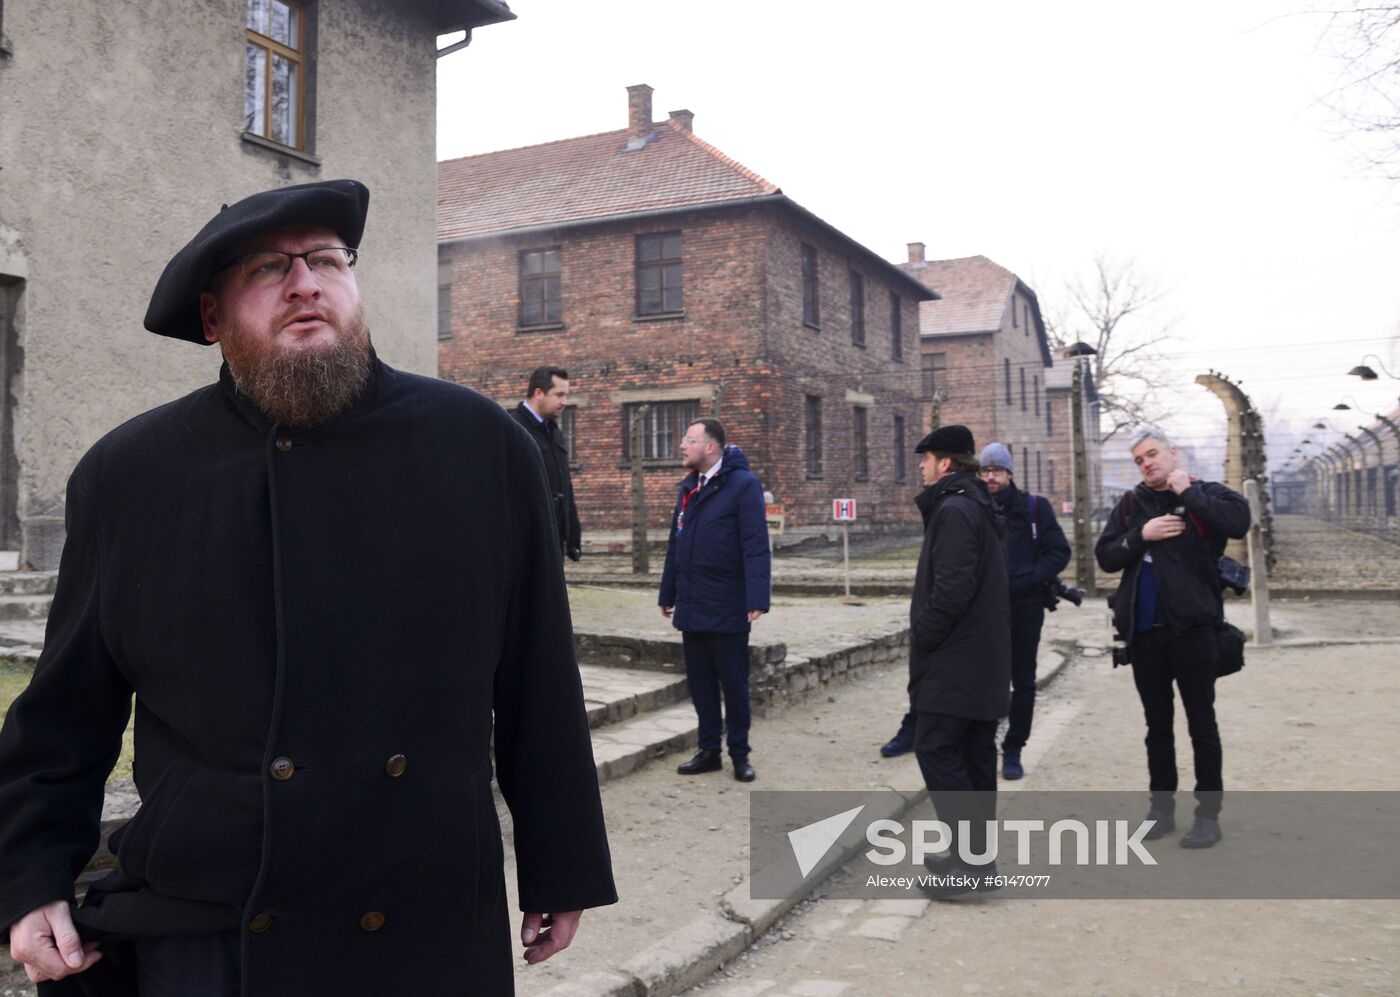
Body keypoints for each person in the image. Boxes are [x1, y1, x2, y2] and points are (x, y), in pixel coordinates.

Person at [0, 180, 616, 995]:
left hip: (424, 915)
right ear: (214, 319)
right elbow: (67, 709)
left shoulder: (481, 446)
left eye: (326, 259)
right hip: (212, 920)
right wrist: (31, 877)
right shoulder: (129, 476)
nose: (305, 282)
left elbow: (537, 672)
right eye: (267, 268)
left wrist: (559, 860)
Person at [1095, 426, 1250, 849]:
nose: (1147, 463)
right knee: (1156, 726)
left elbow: (1239, 523)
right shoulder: (1131, 504)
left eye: (1152, 454)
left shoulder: (1208, 493)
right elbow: (1105, 556)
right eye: (1139, 459)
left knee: (1202, 724)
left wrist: (1189, 494)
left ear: (1172, 453)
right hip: (1145, 635)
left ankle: (1207, 815)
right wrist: (1140, 536)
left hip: (1194, 632)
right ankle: (1160, 811)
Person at [906, 426, 1011, 897]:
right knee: (973, 753)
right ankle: (974, 857)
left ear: (945, 463)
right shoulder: (976, 505)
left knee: (936, 747)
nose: (922, 468)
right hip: (981, 655)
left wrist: (922, 638)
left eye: (926, 459)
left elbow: (952, 590)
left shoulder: (954, 509)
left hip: (957, 656)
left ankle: (972, 866)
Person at [659, 418, 771, 783]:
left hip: (727, 603)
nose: (682, 446)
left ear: (710, 447)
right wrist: (667, 592)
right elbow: (676, 543)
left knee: (733, 685)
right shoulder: (689, 487)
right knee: (701, 683)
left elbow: (755, 544)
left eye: (689, 440)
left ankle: (740, 753)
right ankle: (709, 750)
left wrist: (758, 597)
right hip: (692, 603)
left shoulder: (743, 486)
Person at [977, 442, 1071, 780]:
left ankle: (1014, 749)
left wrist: (1032, 578)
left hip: (1026, 606)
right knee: (987, 680)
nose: (990, 477)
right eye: (985, 471)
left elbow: (1059, 552)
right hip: (985, 610)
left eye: (996, 470)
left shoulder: (1034, 508)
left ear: (1009, 473)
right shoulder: (973, 507)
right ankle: (983, 745)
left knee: (1023, 681)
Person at [511, 366, 582, 562]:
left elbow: (565, 485)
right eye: (559, 395)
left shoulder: (554, 432)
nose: (564, 402)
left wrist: (573, 535)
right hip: (527, 538)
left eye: (566, 395)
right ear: (538, 393)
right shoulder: (514, 428)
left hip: (554, 535)